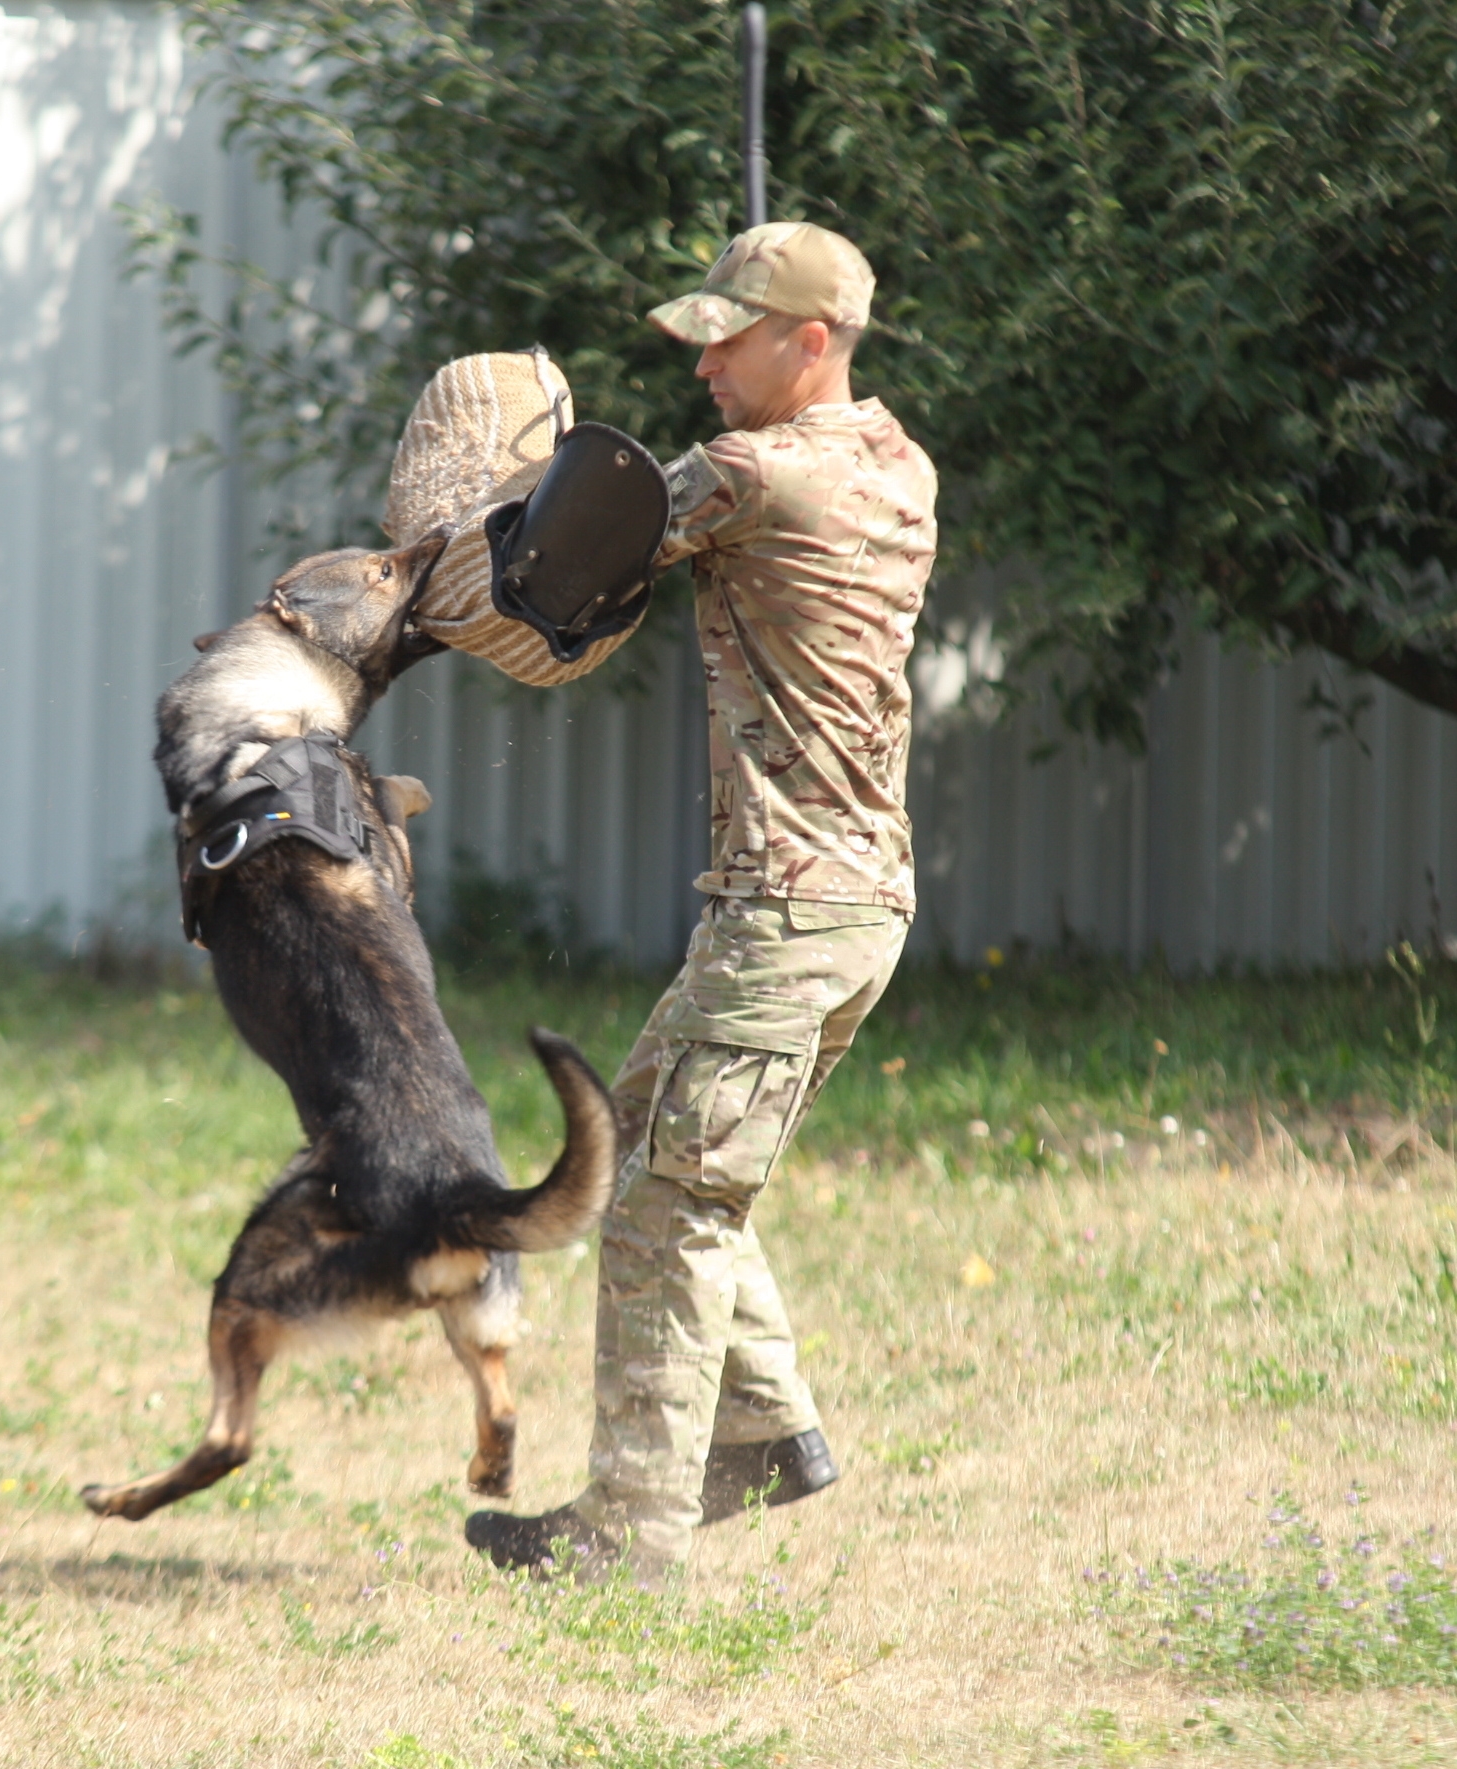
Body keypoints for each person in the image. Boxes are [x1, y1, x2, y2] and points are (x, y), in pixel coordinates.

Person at [461, 223, 939, 1581]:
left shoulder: (750, 475)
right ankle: (763, 1431)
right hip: (855, 906)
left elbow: (558, 553)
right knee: (652, 1154)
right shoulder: (897, 461)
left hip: (784, 913)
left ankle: (632, 1536)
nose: (701, 363)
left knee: (668, 1208)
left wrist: (481, 483)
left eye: (727, 338)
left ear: (810, 342)